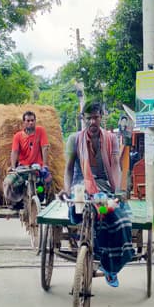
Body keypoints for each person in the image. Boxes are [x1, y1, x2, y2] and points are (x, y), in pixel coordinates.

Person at [64, 101, 134, 288]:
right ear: (83, 120)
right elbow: (69, 169)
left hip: (105, 188)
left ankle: (111, 267)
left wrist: (118, 191)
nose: (92, 122)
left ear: (101, 117)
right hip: (81, 186)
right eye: (89, 119)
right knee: (86, 210)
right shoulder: (74, 139)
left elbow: (115, 166)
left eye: (96, 117)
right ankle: (87, 252)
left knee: (120, 219)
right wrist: (66, 188)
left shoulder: (111, 139)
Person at [4, 111, 50, 207]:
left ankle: (42, 197)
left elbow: (45, 147)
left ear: (35, 121)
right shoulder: (18, 136)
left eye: (32, 120)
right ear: (23, 122)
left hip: (37, 169)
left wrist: (45, 165)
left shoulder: (40, 131)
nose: (30, 122)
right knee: (9, 183)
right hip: (22, 169)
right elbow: (14, 151)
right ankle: (16, 200)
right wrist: (13, 167)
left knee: (45, 183)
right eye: (28, 120)